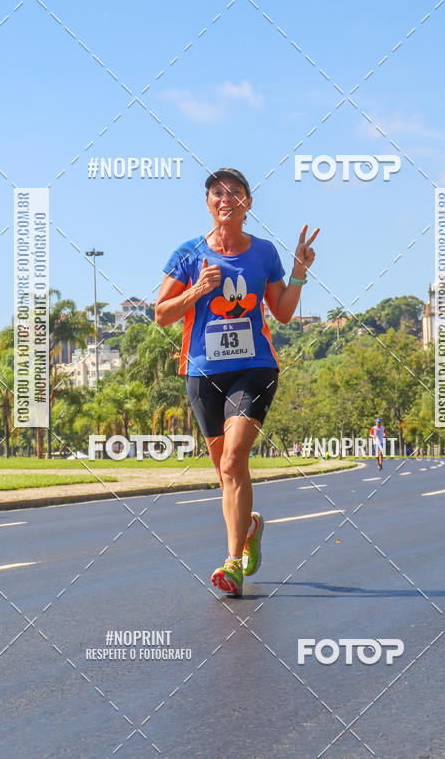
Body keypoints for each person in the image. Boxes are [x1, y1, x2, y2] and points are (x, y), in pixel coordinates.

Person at [155, 168, 318, 596]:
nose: (226, 198)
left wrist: (299, 271)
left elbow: (281, 312)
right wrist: (195, 292)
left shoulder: (263, 253)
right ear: (208, 203)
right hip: (202, 372)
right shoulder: (188, 254)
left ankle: (232, 564)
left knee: (232, 461)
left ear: (248, 204)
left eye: (235, 192)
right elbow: (161, 314)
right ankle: (248, 530)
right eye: (217, 192)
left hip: (255, 368)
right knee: (225, 472)